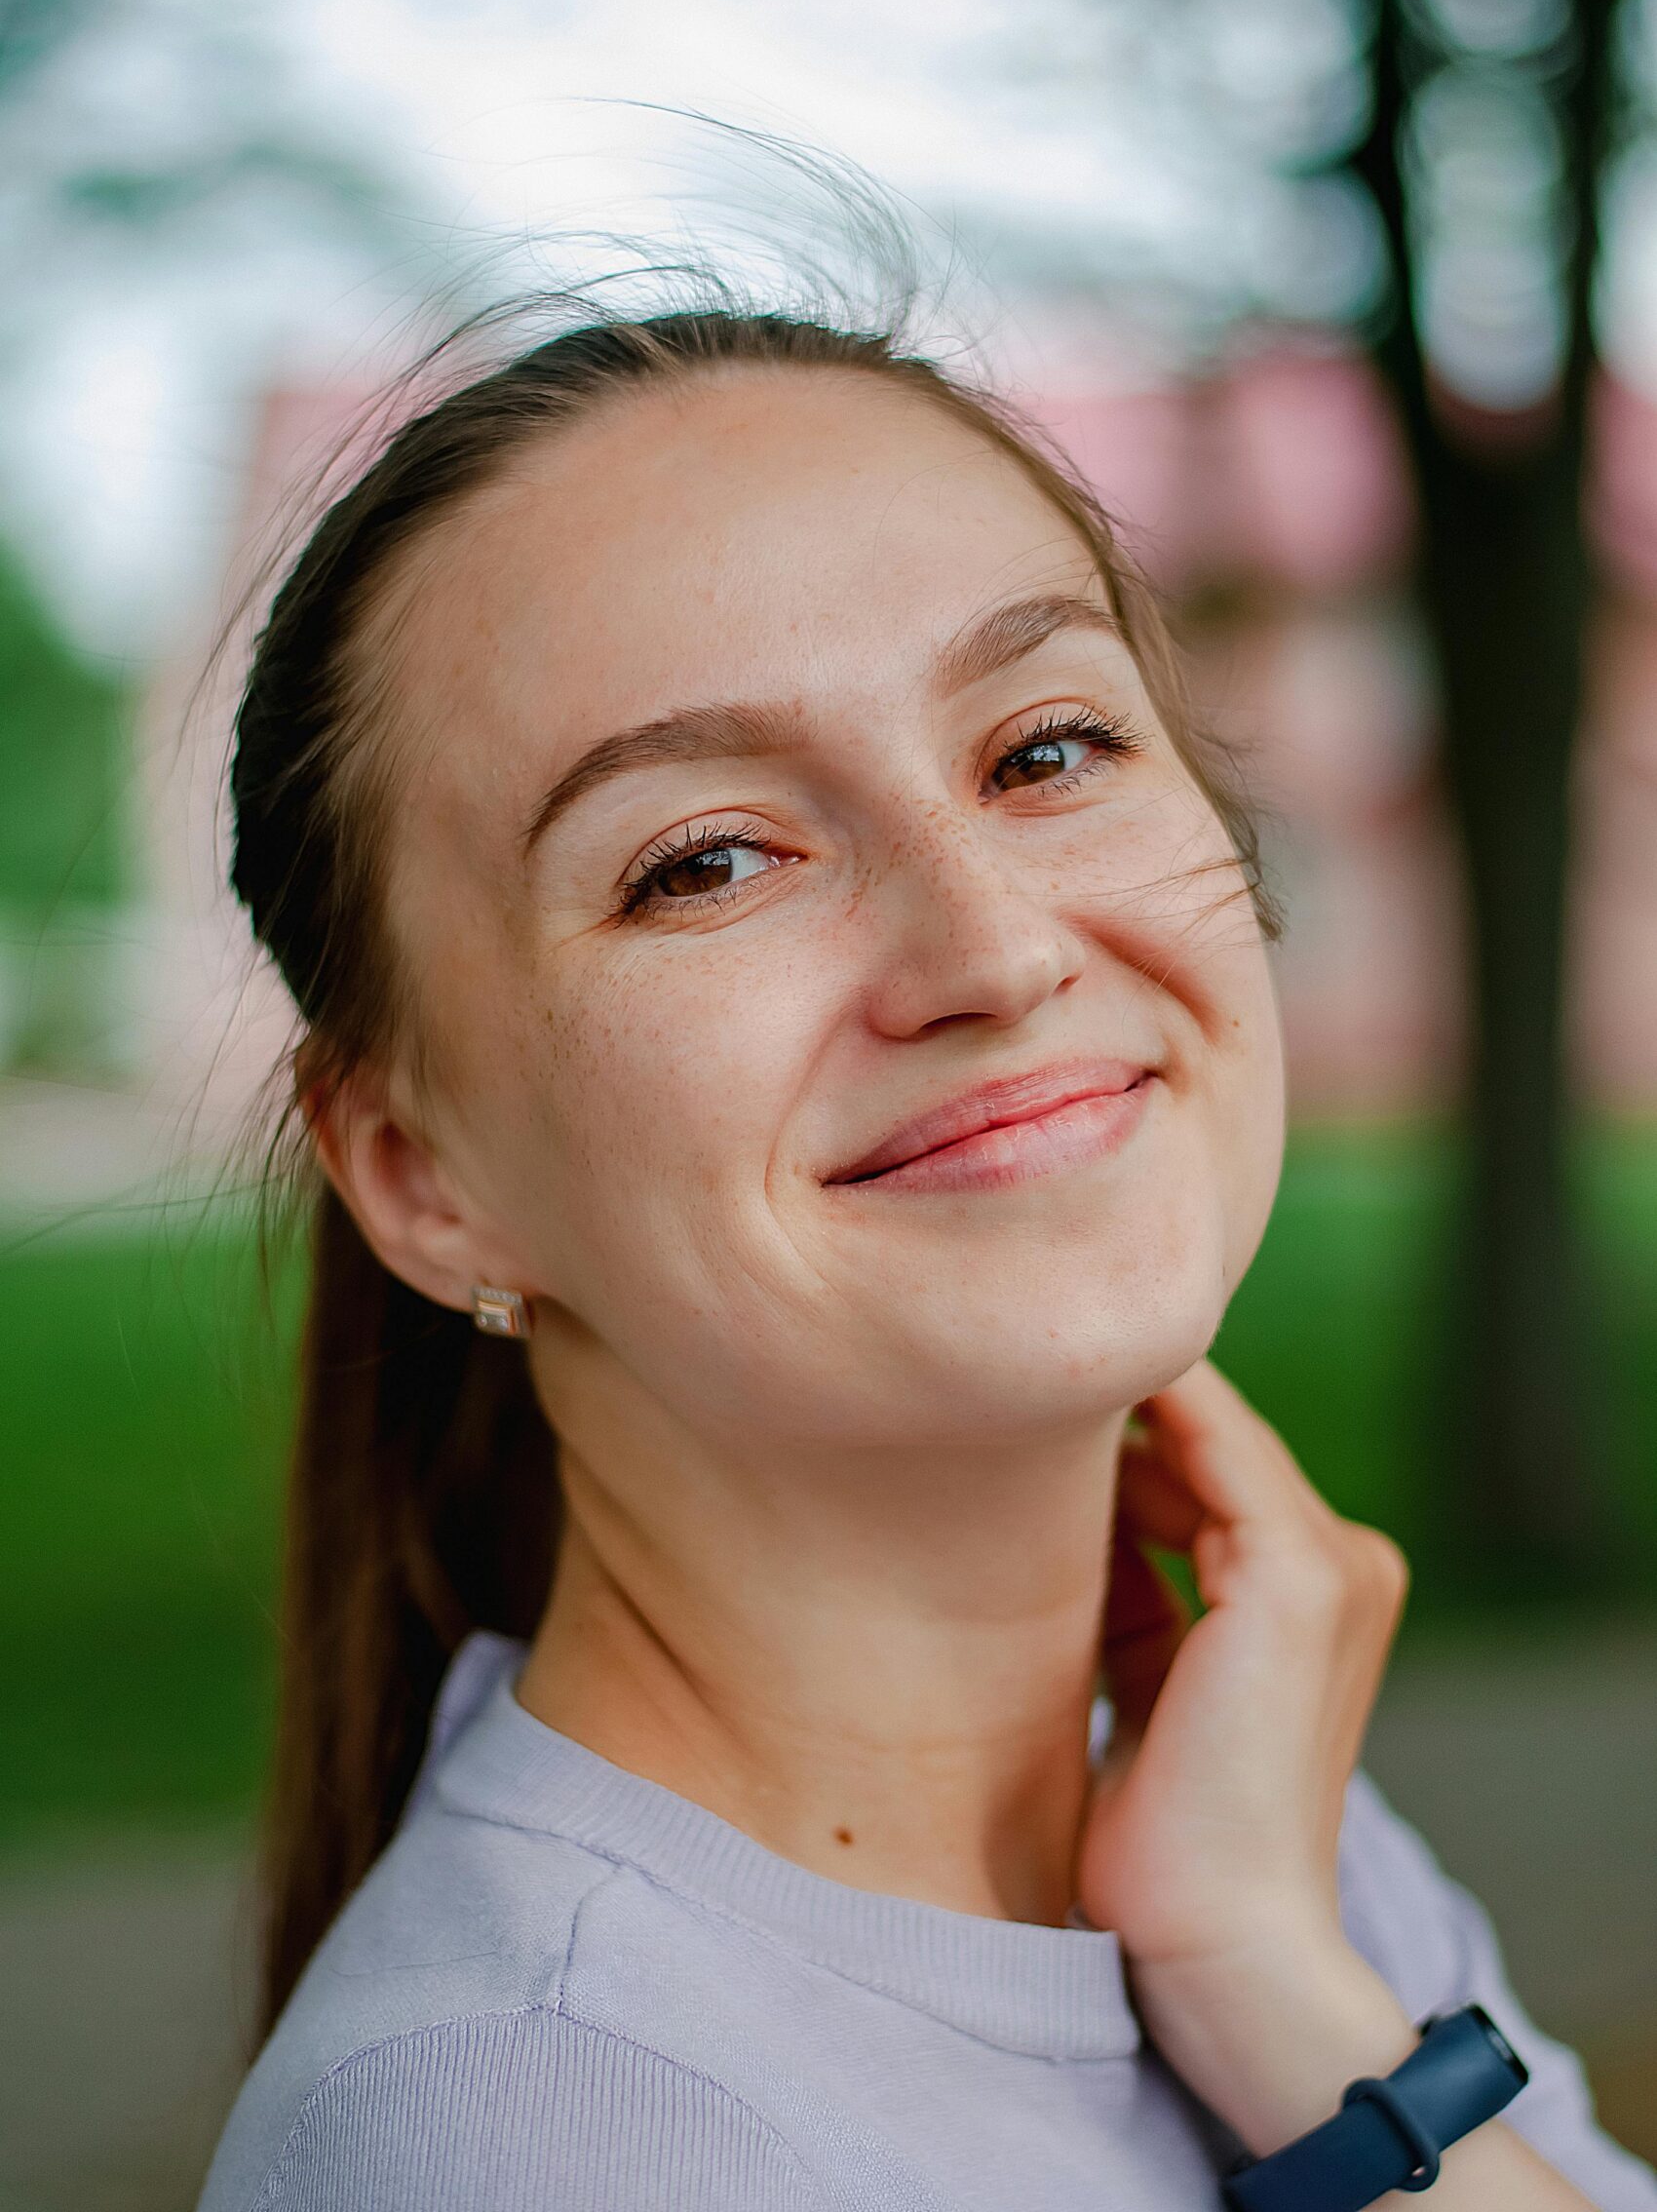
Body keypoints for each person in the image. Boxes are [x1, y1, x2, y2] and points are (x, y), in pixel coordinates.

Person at [196, 300, 1656, 2210]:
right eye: (706, 857)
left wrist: (1281, 1990)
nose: (992, 948)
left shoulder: (1249, 1824)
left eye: (1047, 745)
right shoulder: (536, 2128)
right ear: (419, 1170)